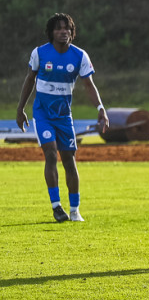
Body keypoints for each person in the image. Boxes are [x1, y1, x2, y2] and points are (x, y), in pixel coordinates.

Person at [15, 12, 109, 222]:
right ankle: (57, 206)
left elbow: (89, 85)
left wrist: (101, 108)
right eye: (58, 28)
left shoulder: (80, 56)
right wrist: (20, 108)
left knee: (69, 159)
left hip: (64, 116)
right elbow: (29, 79)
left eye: (66, 28)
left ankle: (75, 210)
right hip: (43, 114)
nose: (63, 31)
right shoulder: (39, 53)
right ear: (51, 32)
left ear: (71, 32)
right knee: (50, 153)